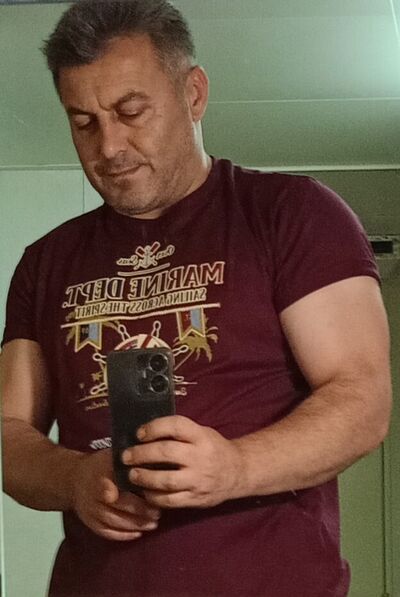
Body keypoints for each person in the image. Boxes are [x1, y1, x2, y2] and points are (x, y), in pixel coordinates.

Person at [0, 1, 392, 596]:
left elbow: (362, 399)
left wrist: (236, 467)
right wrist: (76, 478)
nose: (109, 146)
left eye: (131, 112)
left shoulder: (293, 214)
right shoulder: (45, 262)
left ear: (194, 93)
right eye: (83, 122)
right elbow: (9, 433)